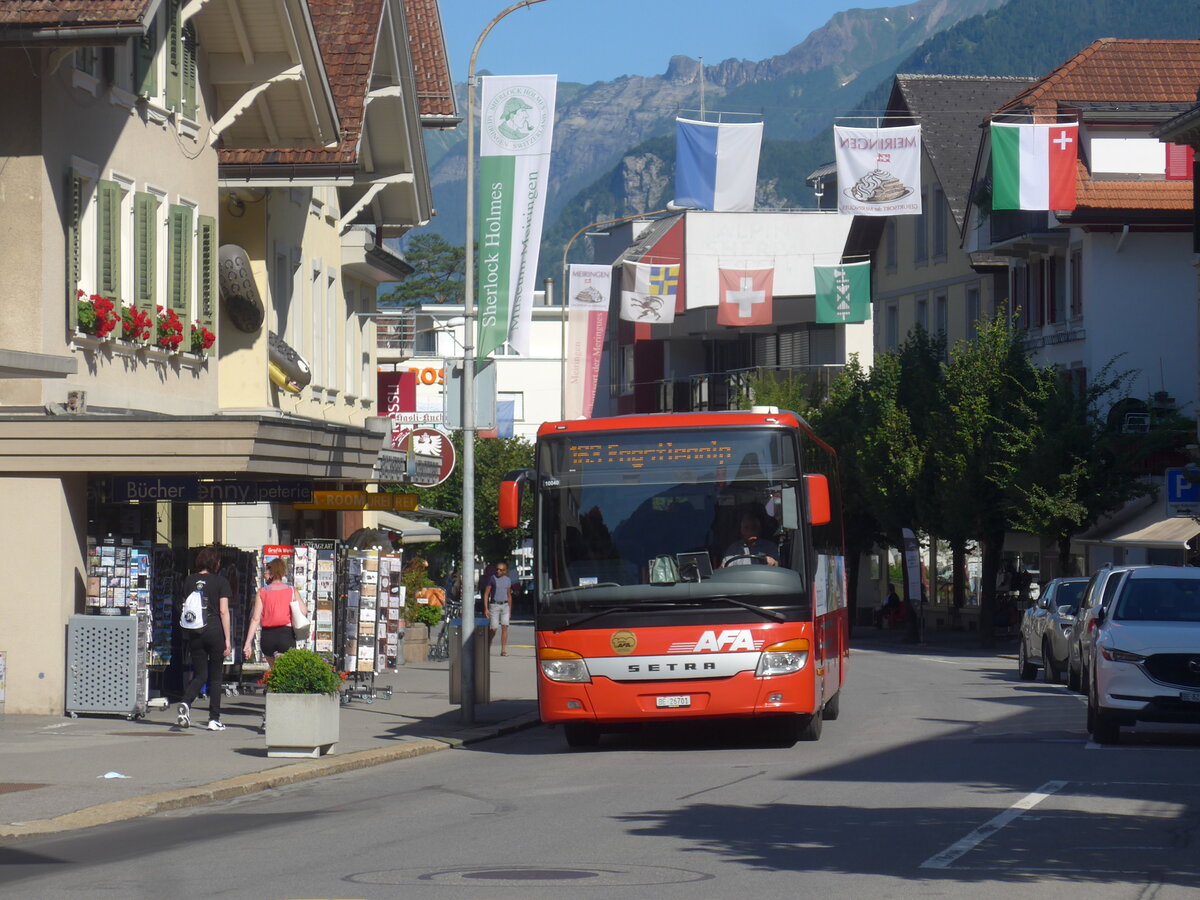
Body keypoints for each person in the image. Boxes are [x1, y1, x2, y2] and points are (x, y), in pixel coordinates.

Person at [177, 546, 232, 732]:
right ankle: (214, 719)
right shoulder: (221, 581)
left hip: (195, 631)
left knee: (200, 674)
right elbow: (223, 611)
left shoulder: (189, 580)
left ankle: (186, 702)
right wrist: (228, 639)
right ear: (215, 563)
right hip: (214, 630)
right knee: (216, 677)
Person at [243, 557, 307, 662]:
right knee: (284, 669)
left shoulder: (262, 592)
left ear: (271, 573)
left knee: (273, 669)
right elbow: (303, 611)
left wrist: (248, 642)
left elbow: (255, 618)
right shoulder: (291, 590)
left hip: (268, 636)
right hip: (286, 635)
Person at [482, 561, 513, 656]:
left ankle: (503, 650)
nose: (498, 571)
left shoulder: (508, 580)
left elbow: (509, 595)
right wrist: (486, 609)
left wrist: (510, 609)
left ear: (504, 571)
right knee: (493, 629)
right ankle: (487, 647)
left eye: (500, 570)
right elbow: (486, 594)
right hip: (494, 605)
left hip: (505, 605)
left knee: (505, 627)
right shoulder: (492, 579)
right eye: (497, 569)